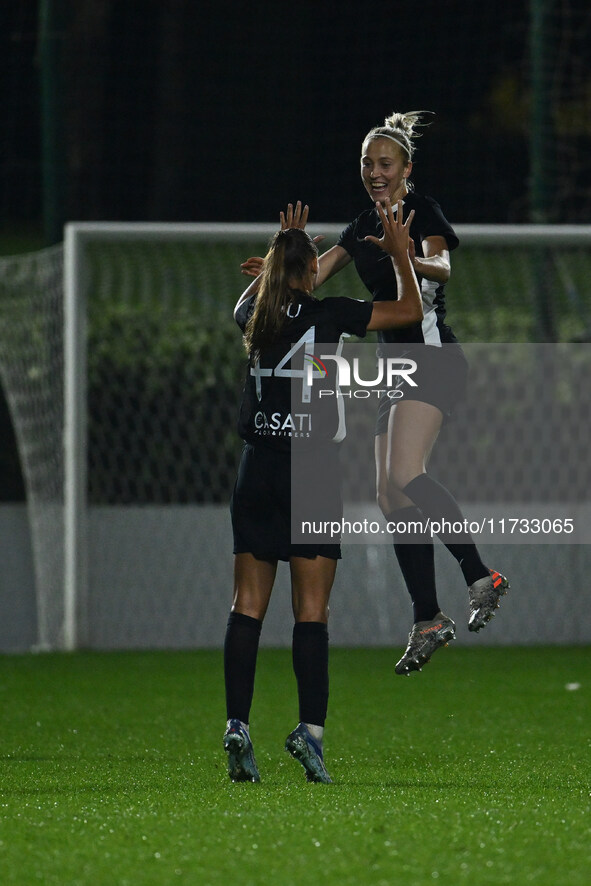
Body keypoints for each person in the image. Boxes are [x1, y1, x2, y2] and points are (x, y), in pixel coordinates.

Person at [242, 111, 509, 677]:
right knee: (390, 495)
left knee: (406, 474)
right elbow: (311, 279)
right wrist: (273, 269)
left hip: (433, 359)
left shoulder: (422, 212)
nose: (374, 172)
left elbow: (442, 268)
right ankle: (428, 617)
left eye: (385, 163)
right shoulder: (360, 224)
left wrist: (402, 253)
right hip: (397, 372)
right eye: (367, 163)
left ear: (407, 169)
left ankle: (480, 573)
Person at [224, 198, 422, 783]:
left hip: (255, 469)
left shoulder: (251, 316)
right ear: (311, 272)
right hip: (310, 472)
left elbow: (265, 293)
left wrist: (288, 253)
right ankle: (310, 735)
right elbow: (408, 308)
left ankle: (238, 725)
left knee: (246, 607)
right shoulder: (331, 314)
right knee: (311, 611)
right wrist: (402, 256)